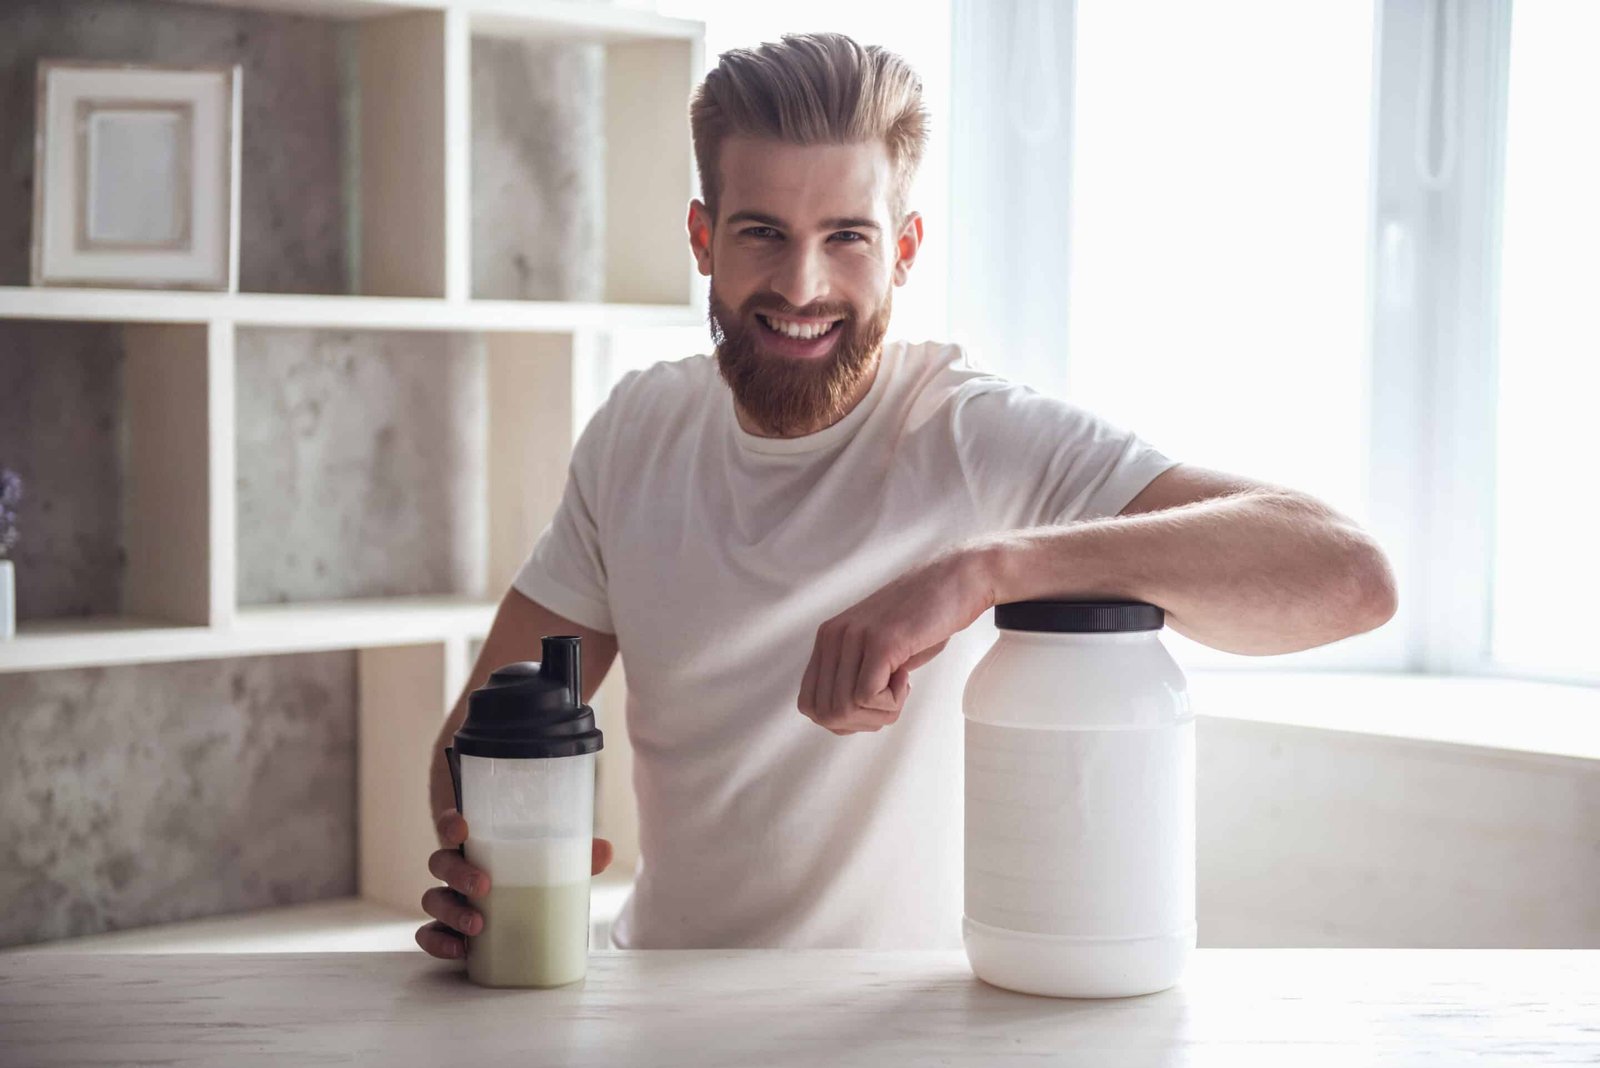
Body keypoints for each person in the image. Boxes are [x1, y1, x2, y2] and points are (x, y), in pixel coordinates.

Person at [416, 32, 1397, 959]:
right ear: (701, 236)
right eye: (763, 232)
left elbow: (1347, 577)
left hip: (899, 1021)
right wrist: (478, 854)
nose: (802, 285)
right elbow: (481, 735)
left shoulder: (986, 440)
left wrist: (985, 570)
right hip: (658, 998)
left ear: (907, 248)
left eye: (847, 235)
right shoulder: (636, 431)